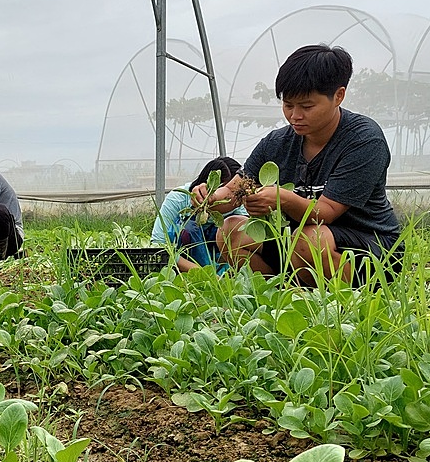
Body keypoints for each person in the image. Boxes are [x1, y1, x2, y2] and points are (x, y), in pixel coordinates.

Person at [194, 44, 402, 285]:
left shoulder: (363, 140)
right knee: (231, 231)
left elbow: (326, 213)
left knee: (309, 239)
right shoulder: (276, 143)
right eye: (288, 105)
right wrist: (211, 198)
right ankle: (282, 295)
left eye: (306, 106)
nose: (295, 115)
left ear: (338, 96)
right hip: (297, 243)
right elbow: (232, 192)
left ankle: (335, 302)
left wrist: (281, 198)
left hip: (369, 249)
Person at [151, 156, 245, 273]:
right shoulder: (179, 198)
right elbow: (159, 245)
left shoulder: (237, 203)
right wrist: (204, 274)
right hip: (184, 268)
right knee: (189, 227)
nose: (227, 198)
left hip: (224, 266)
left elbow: (249, 241)